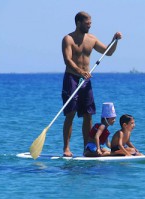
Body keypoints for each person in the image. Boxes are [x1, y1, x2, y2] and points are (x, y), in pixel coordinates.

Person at [61, 11, 122, 157]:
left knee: (88, 115)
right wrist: (80, 71)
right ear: (78, 23)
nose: (90, 25)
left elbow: (108, 52)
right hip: (72, 79)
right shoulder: (68, 39)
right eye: (87, 23)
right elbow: (68, 60)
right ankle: (66, 148)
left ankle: (87, 148)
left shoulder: (91, 39)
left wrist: (115, 41)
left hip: (86, 81)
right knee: (71, 113)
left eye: (90, 23)